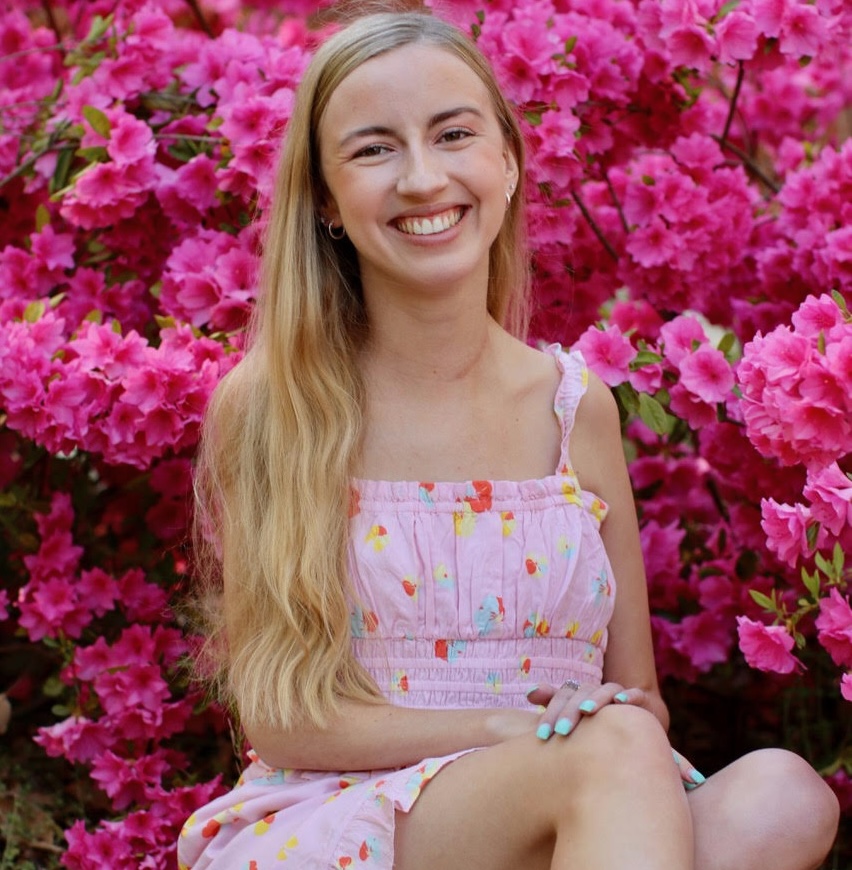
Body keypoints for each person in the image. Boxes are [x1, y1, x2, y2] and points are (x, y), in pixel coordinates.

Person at [178, 9, 840, 870]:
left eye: (454, 133)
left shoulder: (574, 408)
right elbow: (283, 718)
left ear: (509, 164)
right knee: (607, 752)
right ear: (328, 203)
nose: (423, 177)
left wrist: (590, 730)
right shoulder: (274, 407)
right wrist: (514, 731)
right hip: (346, 817)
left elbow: (638, 695)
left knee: (782, 797)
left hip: (580, 800)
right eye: (374, 149)